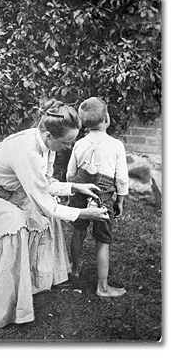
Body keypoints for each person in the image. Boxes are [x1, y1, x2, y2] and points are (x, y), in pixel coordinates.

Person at [0, 99, 109, 328]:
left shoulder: (45, 144)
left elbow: (44, 183)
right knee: (15, 220)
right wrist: (85, 213)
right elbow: (46, 204)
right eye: (66, 142)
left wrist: (75, 187)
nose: (69, 147)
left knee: (38, 217)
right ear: (49, 135)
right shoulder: (27, 150)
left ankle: (36, 280)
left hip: (0, 190)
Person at [67, 97, 129, 297]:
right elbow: (121, 178)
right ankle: (102, 287)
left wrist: (74, 189)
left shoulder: (79, 144)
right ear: (107, 119)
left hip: (80, 187)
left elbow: (70, 174)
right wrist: (119, 200)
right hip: (103, 192)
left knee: (78, 231)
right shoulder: (116, 145)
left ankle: (74, 269)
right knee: (102, 239)